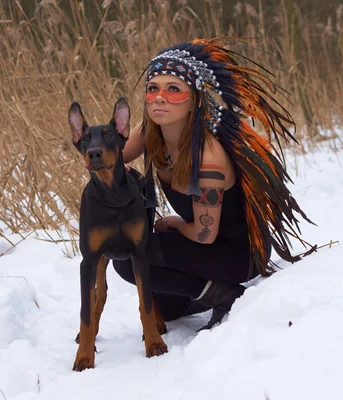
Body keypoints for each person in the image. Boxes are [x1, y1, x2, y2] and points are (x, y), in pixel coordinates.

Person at [113, 38, 315, 331]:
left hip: (237, 254)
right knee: (167, 309)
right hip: (202, 245)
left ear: (194, 99)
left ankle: (227, 294)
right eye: (153, 88)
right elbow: (107, 159)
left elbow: (204, 234)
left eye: (173, 89)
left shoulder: (208, 158)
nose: (159, 97)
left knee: (127, 258)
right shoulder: (150, 131)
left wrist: (174, 222)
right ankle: (208, 290)